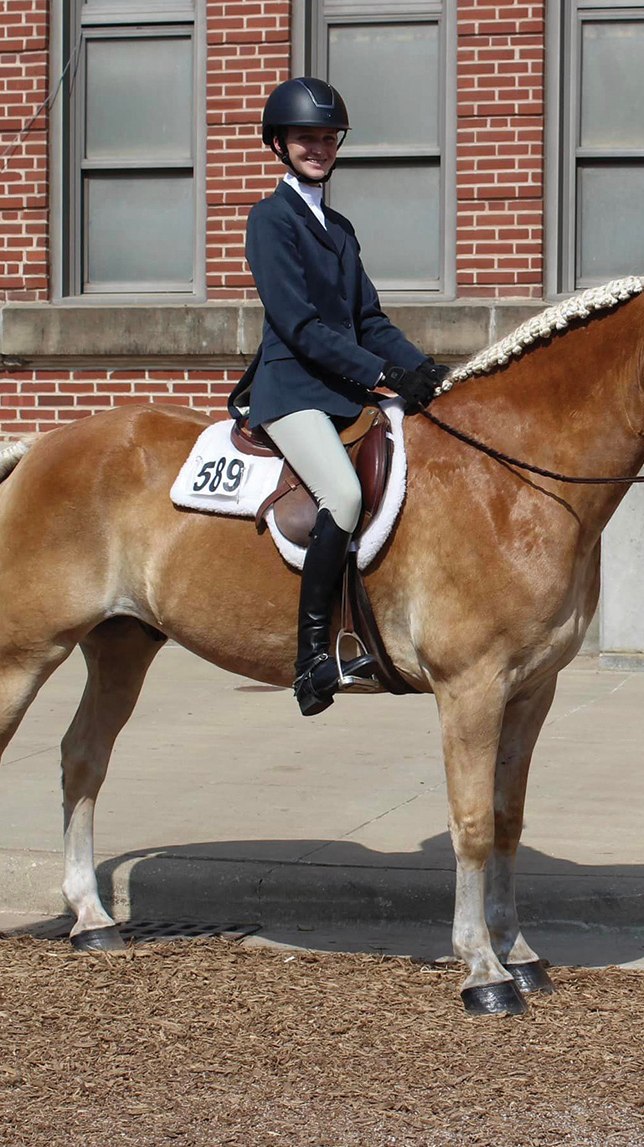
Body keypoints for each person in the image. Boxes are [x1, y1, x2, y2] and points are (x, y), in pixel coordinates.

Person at [228, 76, 447, 718]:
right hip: (292, 389)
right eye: (306, 138)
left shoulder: (341, 228)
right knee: (345, 496)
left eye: (328, 138)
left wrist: (424, 370)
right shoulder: (270, 220)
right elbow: (300, 326)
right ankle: (311, 659)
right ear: (280, 144)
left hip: (341, 390)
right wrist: (384, 373)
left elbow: (368, 319)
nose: (318, 148)